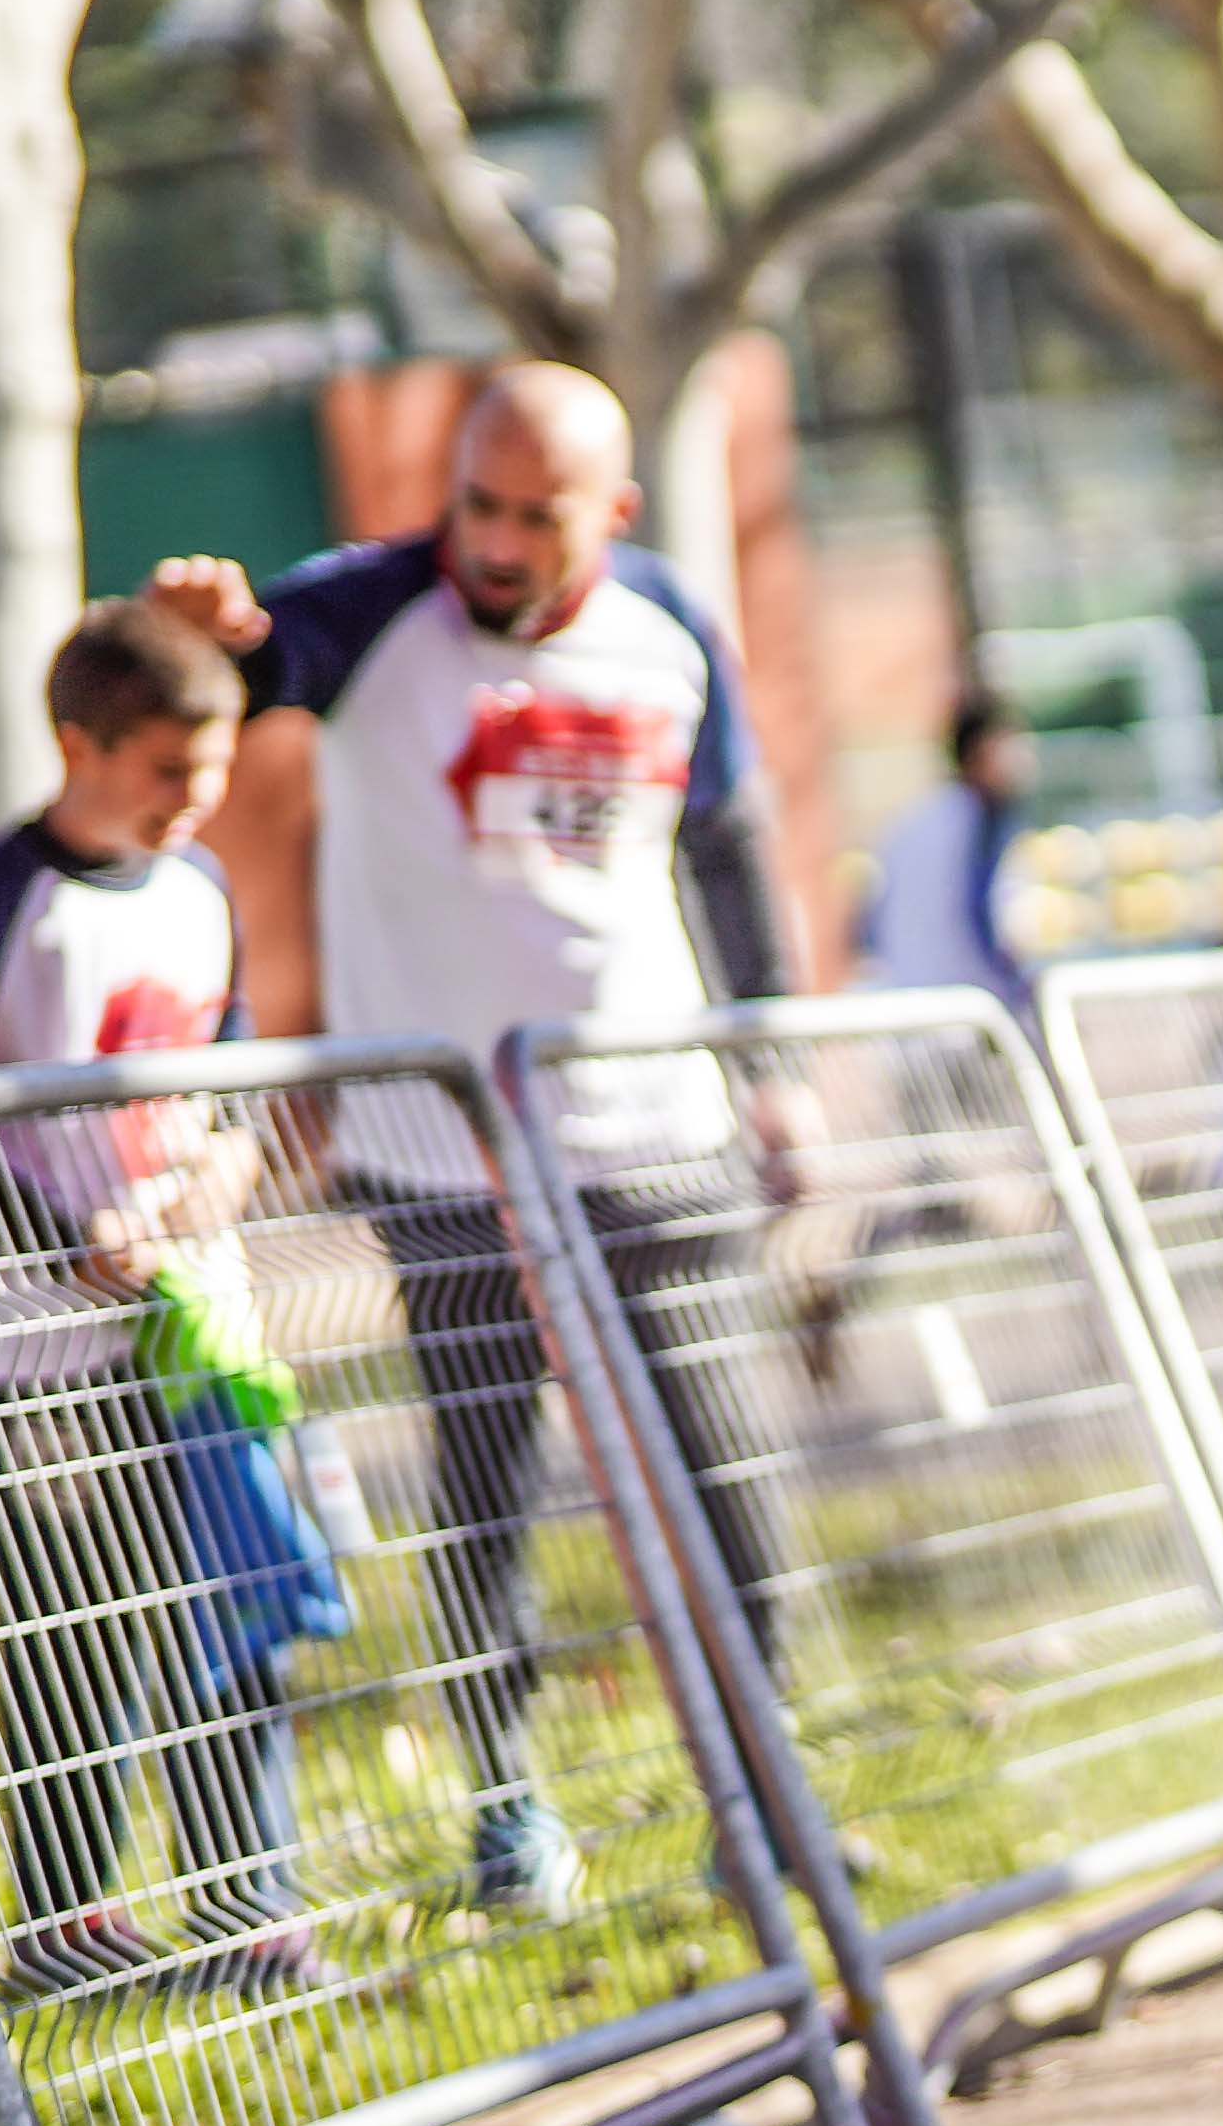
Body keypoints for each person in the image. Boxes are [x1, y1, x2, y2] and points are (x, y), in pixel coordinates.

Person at [148, 364, 806, 1920]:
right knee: (486, 1481)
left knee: (725, 1472)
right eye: (476, 503)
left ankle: (767, 1815)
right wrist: (213, 628)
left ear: (613, 515)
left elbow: (730, 844)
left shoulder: (668, 633)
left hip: (653, 1126)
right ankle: (510, 1814)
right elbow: (251, 661)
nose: (496, 542)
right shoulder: (375, 610)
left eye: (536, 514)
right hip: (441, 1147)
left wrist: (770, 1060)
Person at [0, 598, 324, 2003]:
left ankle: (248, 1893)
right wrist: (58, 1238)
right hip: (38, 1350)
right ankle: (66, 1920)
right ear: (81, 745)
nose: (197, 800)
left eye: (214, 767)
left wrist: (230, 1168)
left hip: (191, 1330)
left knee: (230, 1598)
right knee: (80, 1632)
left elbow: (230, 1057)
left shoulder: (197, 892)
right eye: (166, 771)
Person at [859, 689, 1042, 1025]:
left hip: (913, 1020)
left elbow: (866, 927)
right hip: (973, 1019)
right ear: (981, 752)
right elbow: (995, 923)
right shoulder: (982, 824)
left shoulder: (914, 820)